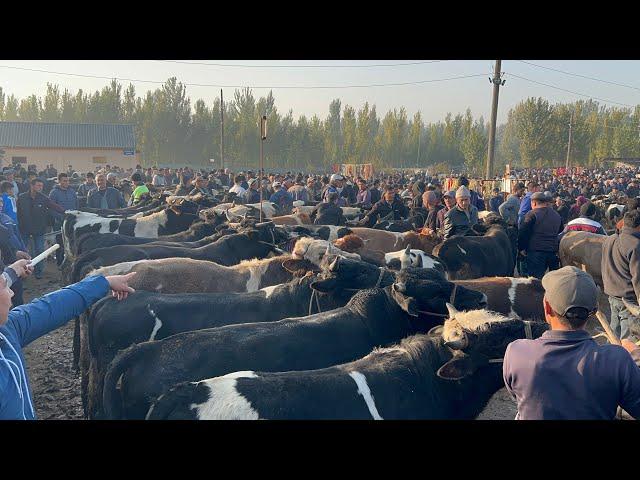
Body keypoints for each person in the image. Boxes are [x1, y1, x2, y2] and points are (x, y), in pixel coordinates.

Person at [0, 259, 137, 419]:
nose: (11, 292)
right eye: (4, 286)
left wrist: (103, 283)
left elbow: (50, 307)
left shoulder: (8, 329)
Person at [503, 266, 640, 420]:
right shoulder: (617, 360)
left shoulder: (517, 352)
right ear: (594, 312)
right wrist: (636, 356)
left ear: (547, 308)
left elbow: (517, 394)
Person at [601, 210, 640, 342]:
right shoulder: (635, 245)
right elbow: (638, 278)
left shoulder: (610, 239)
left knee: (613, 329)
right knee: (628, 336)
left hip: (611, 293)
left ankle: (608, 355)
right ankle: (624, 359)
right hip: (628, 299)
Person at [17, 178, 65, 279]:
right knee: (23, 252)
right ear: (32, 185)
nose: (40, 188)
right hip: (24, 229)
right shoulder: (21, 197)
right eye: (38, 185)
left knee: (39, 250)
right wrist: (19, 226)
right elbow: (18, 213)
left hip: (39, 229)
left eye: (41, 186)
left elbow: (54, 206)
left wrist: (66, 212)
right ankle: (20, 273)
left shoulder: (44, 198)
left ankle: (39, 272)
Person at [518, 192, 563, 279]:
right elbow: (560, 230)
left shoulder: (531, 214)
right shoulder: (556, 215)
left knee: (535, 281)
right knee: (553, 280)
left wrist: (521, 248)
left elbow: (523, 233)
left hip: (536, 252)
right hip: (553, 252)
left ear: (534, 203)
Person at [0, 197, 30, 306]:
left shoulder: (6, 221)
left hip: (7, 266)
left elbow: (9, 243)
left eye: (1, 202)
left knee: (17, 289)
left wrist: (17, 252)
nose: (0, 205)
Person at [48, 173, 79, 266]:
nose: (66, 182)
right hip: (60, 223)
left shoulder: (72, 191)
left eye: (67, 180)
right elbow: (51, 208)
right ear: (59, 181)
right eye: (64, 181)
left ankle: (71, 262)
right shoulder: (54, 193)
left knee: (73, 242)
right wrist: (62, 218)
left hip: (72, 222)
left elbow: (77, 204)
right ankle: (60, 263)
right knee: (60, 244)